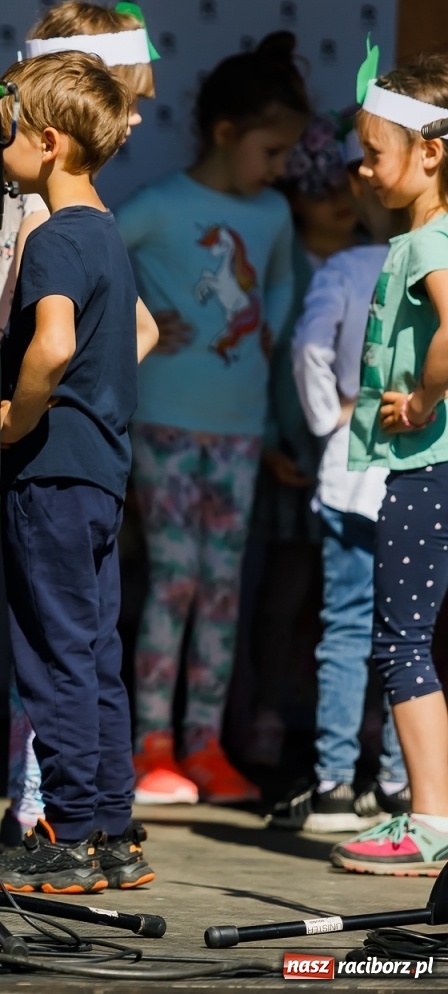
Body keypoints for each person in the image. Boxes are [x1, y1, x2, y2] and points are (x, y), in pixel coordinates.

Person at [118, 33, 307, 806]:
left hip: (238, 428)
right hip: (163, 421)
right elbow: (88, 252)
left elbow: (288, 285)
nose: (282, 166)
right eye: (273, 148)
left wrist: (269, 325)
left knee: (222, 586)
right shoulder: (160, 205)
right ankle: (149, 744)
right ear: (227, 134)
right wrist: (145, 313)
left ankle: (206, 745)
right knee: (174, 579)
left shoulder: (273, 214)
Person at [0, 51, 159, 893]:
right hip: (101, 473)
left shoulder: (54, 237)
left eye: (8, 130)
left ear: (47, 143)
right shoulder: (107, 233)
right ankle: (112, 829)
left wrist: (17, 417)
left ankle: (66, 832)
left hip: (50, 474)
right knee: (94, 652)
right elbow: (142, 334)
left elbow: (52, 344)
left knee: (53, 654)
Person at [330, 47, 448, 876]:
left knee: (402, 640)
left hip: (428, 465)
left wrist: (421, 401)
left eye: (376, 153)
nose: (363, 170)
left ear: (429, 152)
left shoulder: (423, 246)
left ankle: (430, 816)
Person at [273, 124, 409, 832]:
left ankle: (331, 781)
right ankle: (392, 781)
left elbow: (307, 348)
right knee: (406, 634)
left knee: (348, 626)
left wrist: (331, 419)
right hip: (418, 469)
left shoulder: (346, 270)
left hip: (353, 467)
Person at [241, 115, 358, 770]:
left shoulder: (377, 258)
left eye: (346, 185)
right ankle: (263, 712)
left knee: (343, 597)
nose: (339, 201)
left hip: (352, 455)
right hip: (289, 455)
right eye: (320, 191)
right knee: (282, 595)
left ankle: (351, 721)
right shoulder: (285, 269)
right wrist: (264, 442)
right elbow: (259, 360)